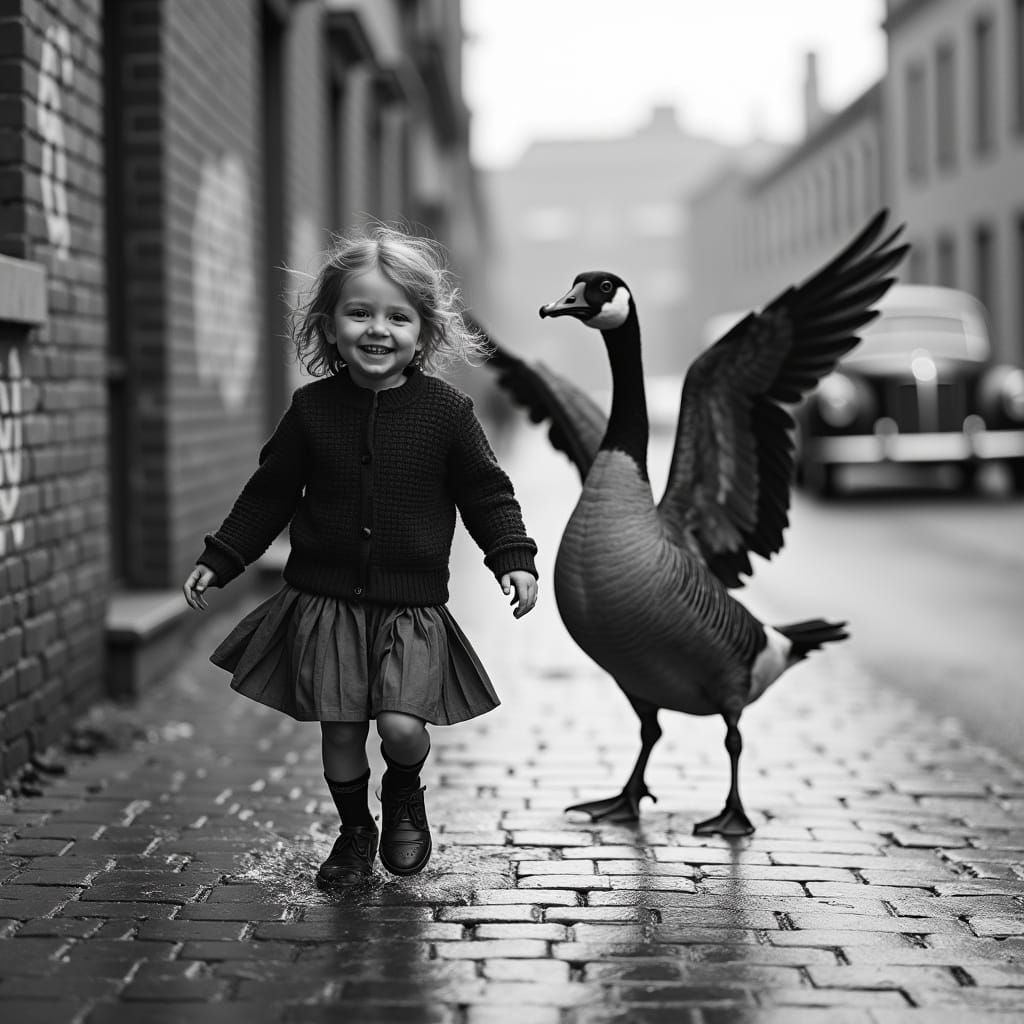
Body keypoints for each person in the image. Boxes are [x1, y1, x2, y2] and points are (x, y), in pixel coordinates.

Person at [183, 224, 539, 889]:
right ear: (329, 323)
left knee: (402, 726)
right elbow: (269, 495)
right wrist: (224, 555)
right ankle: (353, 832)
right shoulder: (312, 411)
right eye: (360, 312)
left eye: (398, 316)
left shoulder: (447, 412)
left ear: (424, 333)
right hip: (326, 603)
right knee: (341, 730)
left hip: (411, 609)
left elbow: (487, 494)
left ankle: (403, 792)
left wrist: (512, 554)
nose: (378, 329)